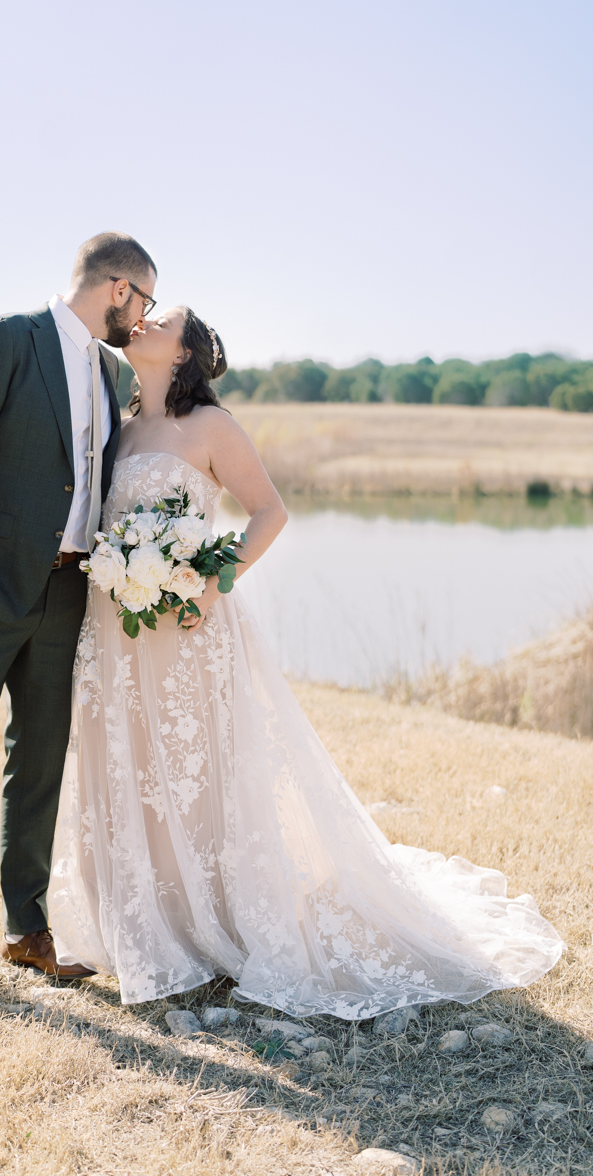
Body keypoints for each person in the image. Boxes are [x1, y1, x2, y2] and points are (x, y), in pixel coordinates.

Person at [45, 306, 563, 1018]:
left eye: (159, 317)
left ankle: (212, 919)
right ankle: (148, 926)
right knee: (131, 766)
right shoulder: (122, 429)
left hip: (191, 629)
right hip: (121, 632)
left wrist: (208, 578)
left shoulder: (213, 427)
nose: (141, 320)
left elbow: (268, 512)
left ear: (187, 350)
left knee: (197, 772)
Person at [0, 232, 157, 1006]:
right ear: (117, 287)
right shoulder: (7, 337)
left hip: (67, 594)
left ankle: (25, 930)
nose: (141, 319)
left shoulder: (111, 373)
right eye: (140, 302)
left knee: (39, 765)